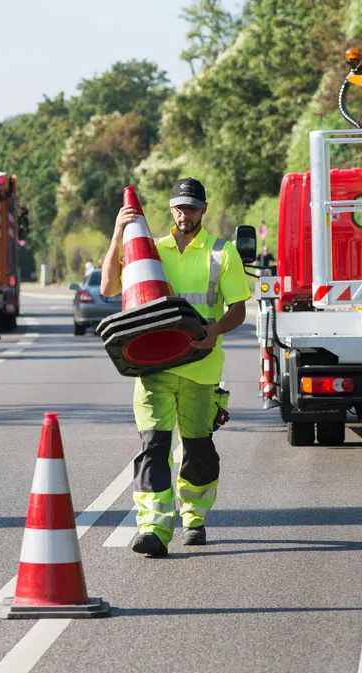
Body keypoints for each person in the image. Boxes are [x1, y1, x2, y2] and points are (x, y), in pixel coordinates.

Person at [100, 177, 251, 557]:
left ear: (204, 209)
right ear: (171, 209)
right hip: (154, 368)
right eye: (179, 208)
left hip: (201, 368)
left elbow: (238, 309)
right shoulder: (151, 249)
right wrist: (118, 232)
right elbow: (108, 288)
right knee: (154, 447)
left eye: (192, 207)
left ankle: (194, 517)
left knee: (199, 451)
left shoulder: (222, 252)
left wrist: (214, 330)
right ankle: (152, 527)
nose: (185, 214)